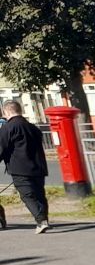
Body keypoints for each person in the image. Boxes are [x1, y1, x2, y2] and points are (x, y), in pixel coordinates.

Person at [0, 100, 50, 233]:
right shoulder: (33, 127)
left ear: (6, 112)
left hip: (20, 168)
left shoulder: (8, 128)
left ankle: (41, 221)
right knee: (39, 194)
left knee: (28, 195)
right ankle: (44, 219)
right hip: (38, 166)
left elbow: (1, 147)